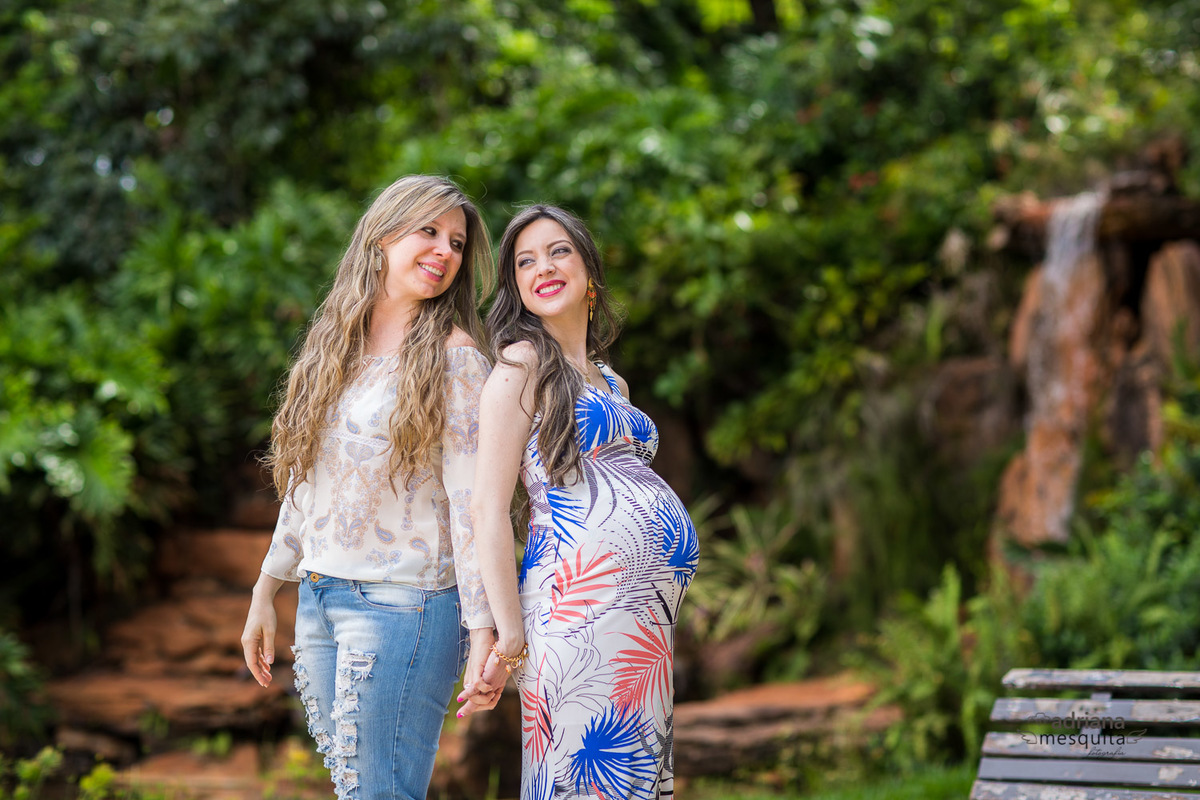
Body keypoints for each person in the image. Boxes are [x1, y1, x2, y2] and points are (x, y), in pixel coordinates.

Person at [240, 175, 498, 800]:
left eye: (457, 243)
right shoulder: (336, 346)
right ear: (383, 235)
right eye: (428, 232)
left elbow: (473, 505)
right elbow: (308, 481)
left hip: (405, 604)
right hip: (320, 599)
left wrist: (484, 629)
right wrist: (265, 588)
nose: (444, 251)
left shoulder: (456, 357)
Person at [460, 205, 699, 800]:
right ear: (515, 285)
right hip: (575, 616)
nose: (543, 266)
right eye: (525, 260)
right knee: (582, 777)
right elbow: (487, 509)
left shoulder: (610, 381)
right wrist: (508, 639)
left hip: (641, 629)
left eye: (559, 250)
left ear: (588, 268)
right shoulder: (521, 365)